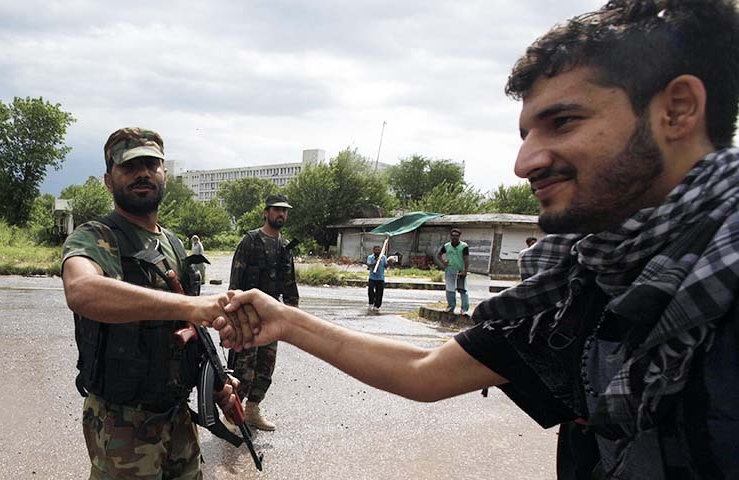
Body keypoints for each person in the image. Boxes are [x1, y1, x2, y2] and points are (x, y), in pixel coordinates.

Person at [215, 1, 739, 477]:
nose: (524, 163)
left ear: (677, 110)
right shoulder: (582, 282)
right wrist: (285, 321)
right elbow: (426, 371)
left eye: (563, 121)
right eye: (526, 134)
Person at [61, 128, 253, 480]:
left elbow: (187, 333)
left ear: (164, 174)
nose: (142, 174)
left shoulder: (174, 244)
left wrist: (215, 381)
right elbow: (82, 290)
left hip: (177, 415)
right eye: (129, 167)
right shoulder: (96, 236)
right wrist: (191, 307)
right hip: (122, 420)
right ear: (108, 180)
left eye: (151, 164)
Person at [228, 193, 299, 431]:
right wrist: (233, 316)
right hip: (248, 315)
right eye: (277, 210)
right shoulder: (250, 241)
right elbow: (235, 282)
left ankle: (252, 411)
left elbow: (290, 283)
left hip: (273, 316)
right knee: (243, 368)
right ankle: (232, 413)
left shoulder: (285, 247)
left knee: (266, 367)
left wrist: (292, 313)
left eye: (285, 210)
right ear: (266, 212)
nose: (281, 214)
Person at [437, 228, 470, 314]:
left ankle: (464, 309)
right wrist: (444, 262)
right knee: (450, 289)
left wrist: (465, 271)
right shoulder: (447, 246)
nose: (454, 237)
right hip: (450, 270)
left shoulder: (464, 246)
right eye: (453, 235)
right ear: (450, 236)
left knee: (463, 290)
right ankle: (451, 306)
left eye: (456, 236)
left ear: (459, 236)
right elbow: (439, 255)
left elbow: (466, 259)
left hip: (460, 271)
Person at [366, 245, 387, 313]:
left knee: (379, 292)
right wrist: (375, 262)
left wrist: (390, 262)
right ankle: (371, 303)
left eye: (379, 250)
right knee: (370, 291)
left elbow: (385, 266)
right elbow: (368, 265)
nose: (377, 251)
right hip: (372, 277)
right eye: (376, 250)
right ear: (373, 250)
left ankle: (377, 305)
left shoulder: (383, 257)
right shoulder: (370, 257)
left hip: (380, 278)